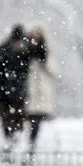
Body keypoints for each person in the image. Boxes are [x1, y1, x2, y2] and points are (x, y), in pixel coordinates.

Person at [0, 25, 31, 155]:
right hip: (4, 94)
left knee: (17, 119)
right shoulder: (1, 52)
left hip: (17, 94)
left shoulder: (24, 53)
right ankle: (10, 141)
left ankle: (14, 142)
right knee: (6, 119)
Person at [24, 27, 55, 156]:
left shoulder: (46, 53)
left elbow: (54, 71)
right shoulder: (25, 53)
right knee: (28, 120)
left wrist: (44, 60)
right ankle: (29, 145)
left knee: (36, 120)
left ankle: (32, 144)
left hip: (42, 93)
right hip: (28, 92)